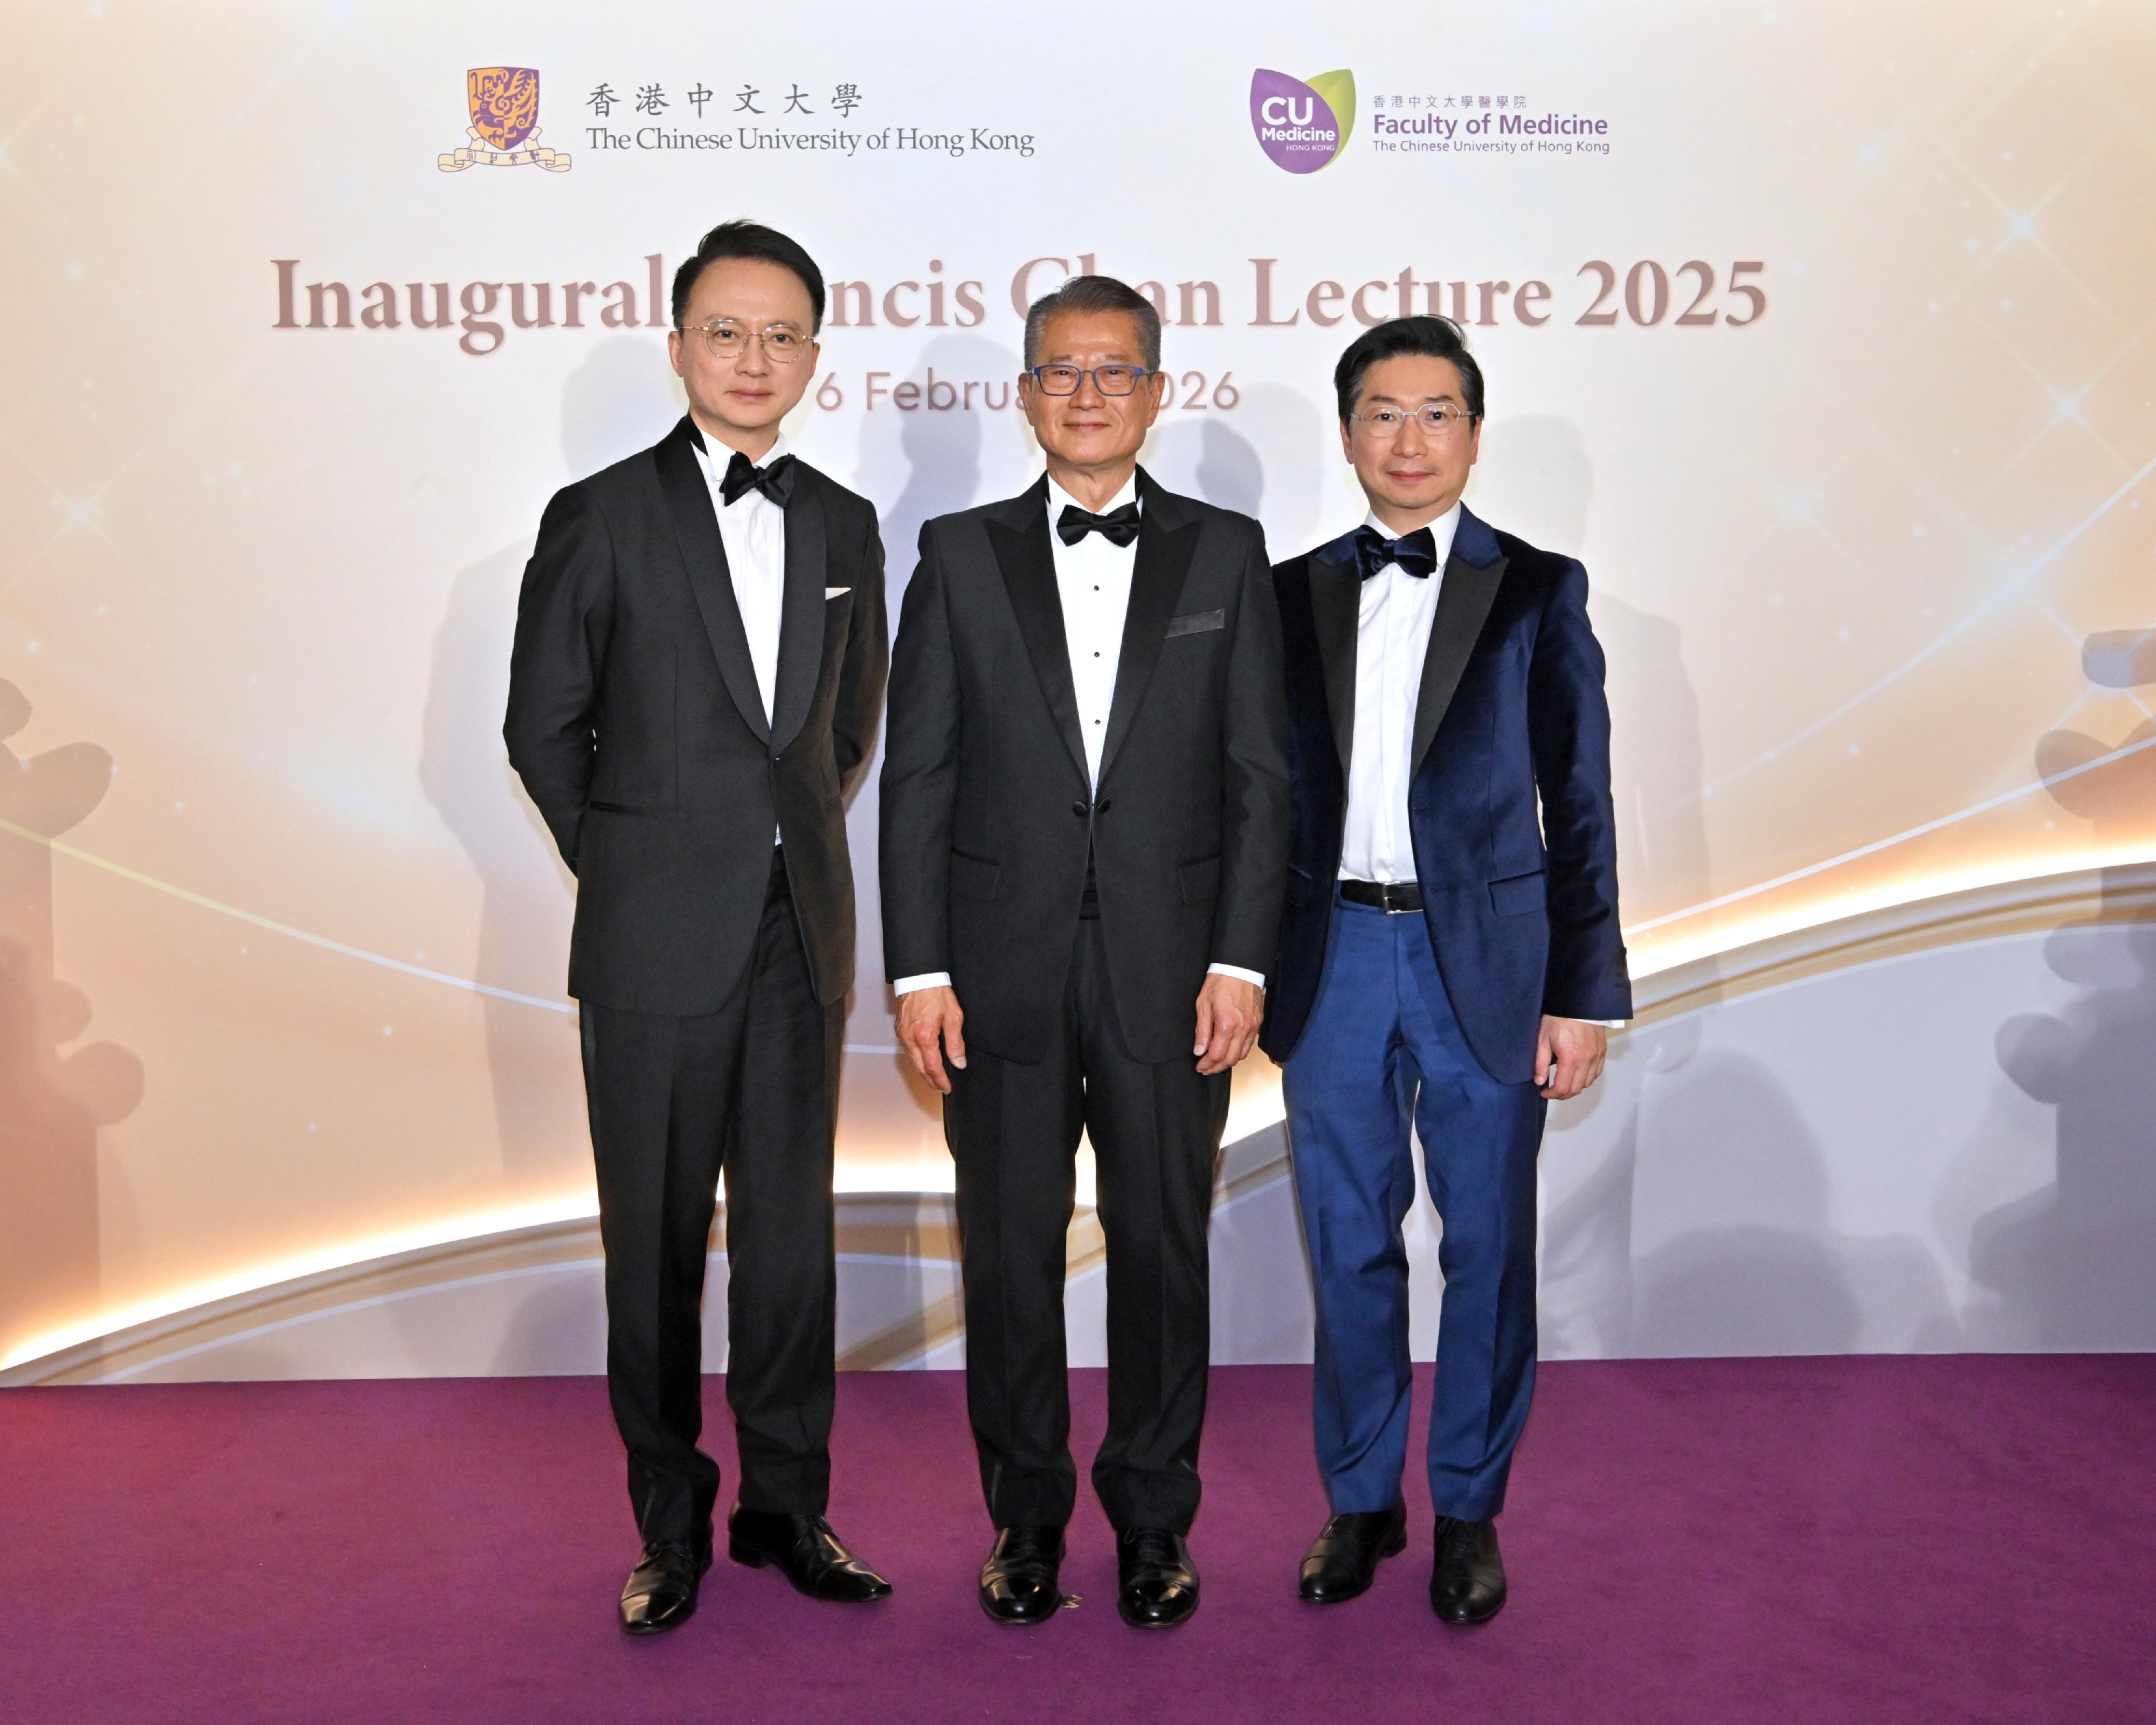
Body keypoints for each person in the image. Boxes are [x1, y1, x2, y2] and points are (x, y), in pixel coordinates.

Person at [880, 276, 1289, 1629]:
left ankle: (1156, 1522)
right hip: (994, 971)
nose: (1088, 393)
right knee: (1003, 1251)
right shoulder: (955, 553)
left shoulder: (1227, 554)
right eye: (1061, 370)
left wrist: (1242, 957)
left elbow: (1257, 778)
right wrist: (917, 970)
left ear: (1157, 393)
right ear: (1026, 392)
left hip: (1178, 974)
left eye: (1115, 371)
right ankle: (1025, 1518)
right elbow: (918, 778)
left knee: (1162, 1249)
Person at [505, 219, 892, 1634]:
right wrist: (638, 869)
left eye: (782, 334)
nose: (753, 358)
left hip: (802, 943)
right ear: (679, 348)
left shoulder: (845, 525)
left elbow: (843, 736)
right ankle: (667, 1527)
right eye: (726, 332)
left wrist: (772, 857)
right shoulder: (601, 517)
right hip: (654, 949)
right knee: (656, 1249)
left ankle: (790, 1509)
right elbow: (542, 727)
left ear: (812, 355)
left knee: (792, 1249)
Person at [1262, 316, 1630, 1625]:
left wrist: (1582, 990)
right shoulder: (1287, 590)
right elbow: (1258, 801)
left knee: (1485, 1248)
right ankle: (1359, 1499)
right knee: (1346, 1245)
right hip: (1332, 959)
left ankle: (1468, 1507)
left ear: (1471, 432)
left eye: (1435, 413)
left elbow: (1576, 802)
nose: (1407, 440)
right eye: (1381, 412)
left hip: (1488, 963)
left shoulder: (1539, 589)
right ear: (1347, 428)